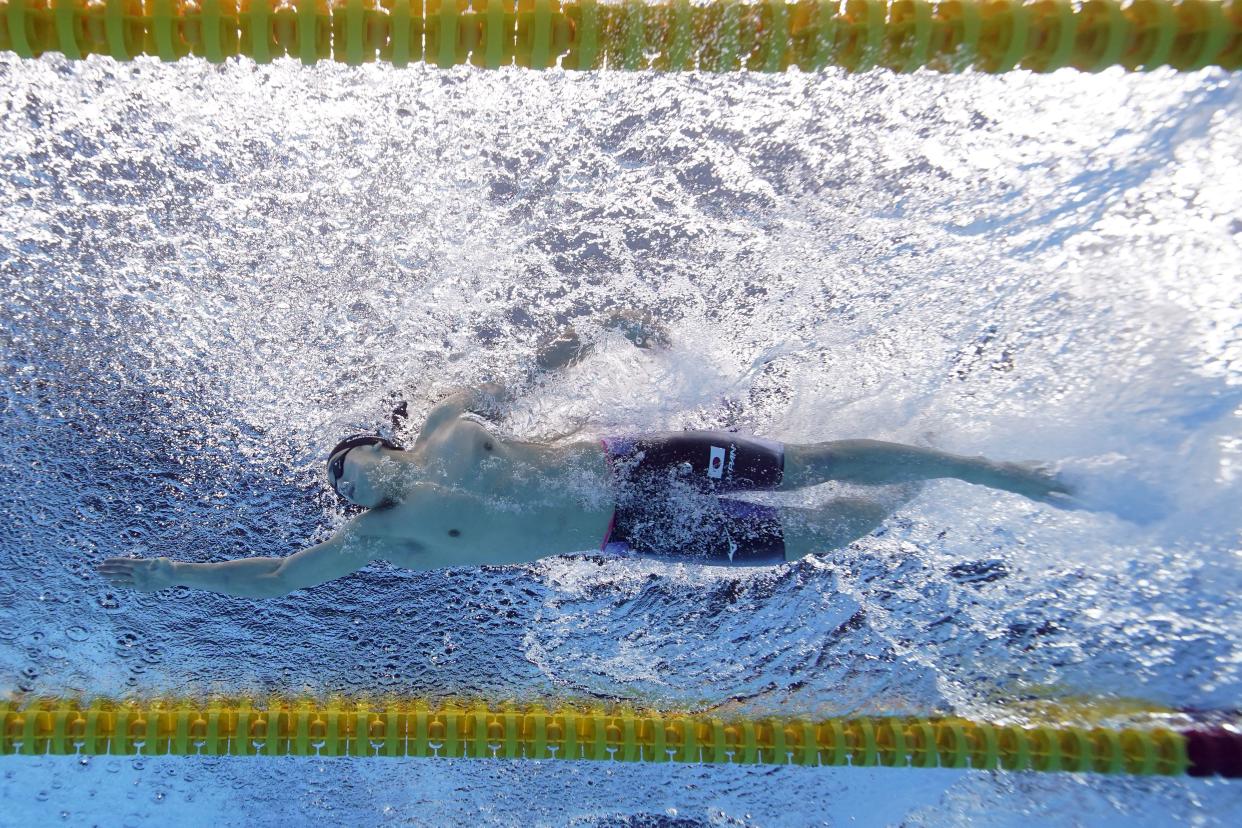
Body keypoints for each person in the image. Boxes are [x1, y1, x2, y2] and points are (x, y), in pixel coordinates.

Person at [98, 313, 1075, 599]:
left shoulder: (446, 427)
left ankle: (978, 470)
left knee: (808, 461)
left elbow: (522, 380)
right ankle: (932, 467)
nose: (354, 484)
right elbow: (275, 576)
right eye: (346, 492)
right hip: (623, 527)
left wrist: (582, 340)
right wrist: (170, 575)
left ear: (383, 447)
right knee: (807, 541)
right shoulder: (387, 543)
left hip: (631, 463)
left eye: (354, 462)